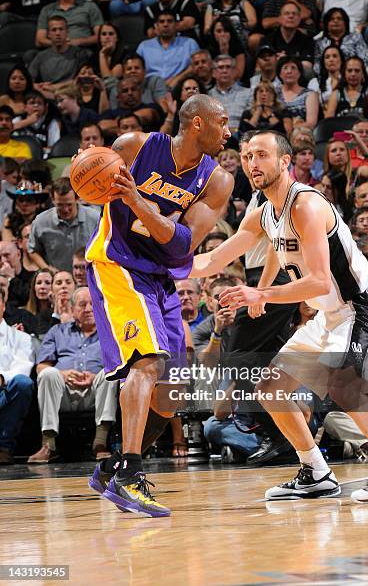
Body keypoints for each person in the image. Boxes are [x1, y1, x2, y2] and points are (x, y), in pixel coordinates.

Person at [191, 129, 368, 503]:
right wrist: (156, 265)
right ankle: (316, 472)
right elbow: (213, 260)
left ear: (285, 161)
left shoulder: (306, 204)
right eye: (246, 156)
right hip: (329, 315)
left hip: (361, 306)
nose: (252, 163)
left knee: (343, 385)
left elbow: (320, 280)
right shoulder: (263, 214)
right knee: (271, 390)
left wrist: (261, 292)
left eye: (261, 155)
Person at [86, 94, 233, 517]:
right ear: (197, 124)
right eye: (222, 123)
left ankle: (112, 467)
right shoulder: (134, 147)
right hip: (117, 264)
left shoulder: (217, 181)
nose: (228, 132)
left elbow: (182, 244)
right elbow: (93, 181)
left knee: (172, 395)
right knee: (146, 363)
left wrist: (137, 201)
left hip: (162, 276)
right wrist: (88, 168)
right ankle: (130, 475)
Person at [28, 287, 118, 463]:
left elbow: (119, 364)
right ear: (72, 309)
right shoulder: (57, 332)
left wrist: (94, 377)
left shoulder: (110, 332)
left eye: (93, 304)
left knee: (110, 373)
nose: (88, 309)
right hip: (63, 393)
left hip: (96, 390)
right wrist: (62, 374)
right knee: (48, 374)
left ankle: (100, 443)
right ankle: (49, 444)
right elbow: (41, 366)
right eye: (82, 305)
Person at [28, 176, 100, 272]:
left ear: (77, 198)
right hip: (58, 280)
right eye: (60, 205)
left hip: (88, 278)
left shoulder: (94, 218)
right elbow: (33, 250)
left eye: (69, 204)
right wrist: (47, 269)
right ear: (53, 199)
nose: (65, 210)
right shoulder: (41, 221)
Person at [0, 287, 34, 465]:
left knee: (22, 383)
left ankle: (4, 447)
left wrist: (1, 378)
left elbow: (22, 368)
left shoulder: (21, 337)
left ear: (3, 306)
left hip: (5, 392)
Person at [35, 0, 104, 50]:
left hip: (81, 51)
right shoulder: (47, 10)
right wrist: (60, 44)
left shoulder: (90, 6)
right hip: (55, 52)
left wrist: (80, 41)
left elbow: (101, 36)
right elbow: (40, 39)